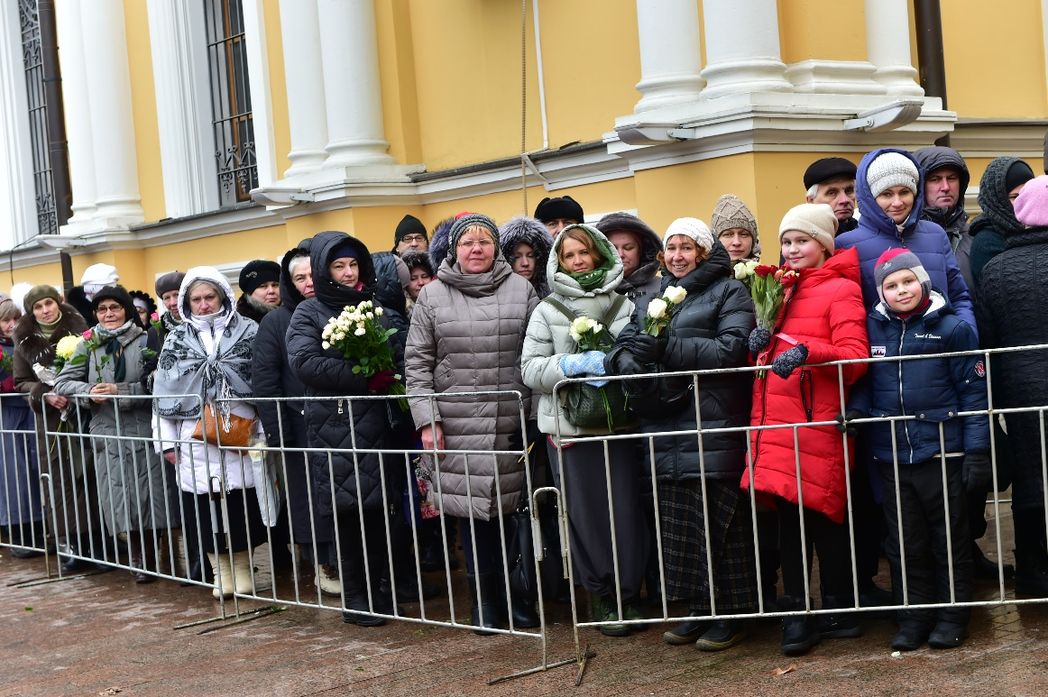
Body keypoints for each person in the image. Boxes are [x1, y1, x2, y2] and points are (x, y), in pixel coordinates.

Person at [608, 218, 757, 651]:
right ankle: (698, 608)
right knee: (680, 529)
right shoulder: (655, 294)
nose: (677, 256)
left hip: (710, 424)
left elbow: (732, 349)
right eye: (671, 248)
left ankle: (733, 612)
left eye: (687, 247)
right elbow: (624, 344)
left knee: (721, 524)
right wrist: (626, 362)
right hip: (664, 426)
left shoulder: (729, 291)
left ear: (704, 253)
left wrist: (665, 349)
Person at [743, 203, 869, 656]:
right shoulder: (778, 288)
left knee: (823, 516)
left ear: (824, 245)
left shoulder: (841, 289)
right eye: (787, 241)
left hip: (815, 421)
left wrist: (808, 352)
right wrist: (756, 346)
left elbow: (855, 357)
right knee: (788, 522)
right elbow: (767, 361)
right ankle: (797, 610)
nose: (793, 249)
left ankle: (838, 608)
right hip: (775, 422)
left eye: (802, 240)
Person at [405, 213, 540, 633]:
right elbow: (417, 363)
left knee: (513, 513)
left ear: (496, 248)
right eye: (467, 242)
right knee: (471, 515)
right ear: (454, 250)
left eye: (484, 241)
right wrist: (427, 420)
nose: (476, 249)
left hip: (509, 421)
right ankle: (484, 602)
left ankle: (519, 598)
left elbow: (536, 353)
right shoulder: (433, 296)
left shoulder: (521, 290)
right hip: (457, 423)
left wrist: (534, 416)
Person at [851, 249, 987, 650]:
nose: (901, 290)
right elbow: (864, 381)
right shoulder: (872, 328)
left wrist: (977, 450)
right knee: (904, 543)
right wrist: (857, 410)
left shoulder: (952, 329)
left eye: (908, 281)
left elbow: (974, 393)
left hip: (942, 452)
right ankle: (914, 615)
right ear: (881, 292)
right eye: (891, 285)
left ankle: (952, 615)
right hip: (892, 454)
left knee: (949, 539)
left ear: (923, 281)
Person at [521, 223, 648, 636]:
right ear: (559, 262)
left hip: (620, 424)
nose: (578, 261)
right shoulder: (547, 310)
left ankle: (629, 593)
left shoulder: (624, 305)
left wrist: (619, 363)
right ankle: (602, 596)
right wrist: (572, 365)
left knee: (626, 510)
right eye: (569, 255)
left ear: (599, 254)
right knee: (585, 514)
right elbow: (529, 369)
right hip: (570, 429)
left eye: (584, 253)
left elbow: (641, 352)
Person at [287, 232, 408, 625]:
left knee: (380, 511)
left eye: (353, 264)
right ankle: (355, 595)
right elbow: (305, 363)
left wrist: (391, 373)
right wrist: (362, 376)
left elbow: (397, 351)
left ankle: (379, 589)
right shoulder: (309, 312)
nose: (348, 272)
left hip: (378, 423)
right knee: (348, 512)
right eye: (339, 266)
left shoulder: (373, 308)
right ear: (324, 270)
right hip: (335, 425)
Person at [153, 268, 268, 599]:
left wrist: (262, 434)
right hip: (192, 435)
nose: (204, 305)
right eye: (196, 299)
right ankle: (221, 572)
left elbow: (262, 384)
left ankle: (243, 569)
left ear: (222, 297)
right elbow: (163, 394)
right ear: (187, 303)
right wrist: (166, 443)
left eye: (209, 297)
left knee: (242, 505)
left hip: (241, 429)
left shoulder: (249, 331)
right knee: (203, 509)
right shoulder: (176, 339)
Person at [53, 285, 168, 584]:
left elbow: (158, 383)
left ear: (126, 310)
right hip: (107, 431)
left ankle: (151, 553)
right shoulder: (88, 344)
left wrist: (122, 390)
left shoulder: (146, 339)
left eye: (114, 308)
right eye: (102, 309)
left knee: (150, 495)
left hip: (142, 428)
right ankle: (137, 556)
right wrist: (89, 391)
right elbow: (63, 382)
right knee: (120, 497)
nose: (108, 314)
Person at [251, 243, 342, 597]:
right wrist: (279, 433)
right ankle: (322, 564)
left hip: (340, 421)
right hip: (299, 426)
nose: (308, 283)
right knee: (308, 498)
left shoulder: (339, 309)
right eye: (299, 278)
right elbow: (266, 381)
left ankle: (351, 560)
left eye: (311, 275)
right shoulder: (275, 322)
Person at [977, 175, 1048, 596]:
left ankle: (1033, 569)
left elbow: (987, 339)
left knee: (1029, 476)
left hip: (1020, 391)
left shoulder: (995, 269)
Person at [836, 148, 976, 331]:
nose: (897, 202)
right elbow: (847, 314)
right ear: (870, 197)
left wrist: (967, 334)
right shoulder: (846, 245)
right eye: (886, 194)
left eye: (904, 192)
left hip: (943, 347)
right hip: (882, 348)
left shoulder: (935, 234)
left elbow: (959, 297)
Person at [12, 285, 98, 570]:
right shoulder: (24, 339)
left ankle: (100, 541)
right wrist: (44, 394)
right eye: (38, 307)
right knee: (59, 481)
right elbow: (21, 382)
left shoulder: (80, 329)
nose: (45, 310)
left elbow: (94, 367)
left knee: (88, 475)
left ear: (58, 303)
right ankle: (72, 543)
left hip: (81, 413)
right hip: (50, 420)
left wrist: (76, 389)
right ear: (31, 312)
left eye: (48, 303)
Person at [0, 296, 41, 557]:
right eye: (6, 320)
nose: (12, 325)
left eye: (16, 319)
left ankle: (40, 525)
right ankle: (18, 530)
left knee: (36, 469)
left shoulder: (29, 343)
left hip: (31, 409)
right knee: (14, 474)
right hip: (7, 413)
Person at [914, 146, 975, 293]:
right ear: (920, 186)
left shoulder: (976, 237)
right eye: (935, 179)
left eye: (952, 178)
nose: (946, 187)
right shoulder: (904, 239)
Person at [969, 157, 1036, 290]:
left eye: (1027, 195)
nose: (1023, 202)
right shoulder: (986, 242)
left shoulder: (1035, 229)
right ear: (998, 200)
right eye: (1015, 197)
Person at [596, 212, 664, 300]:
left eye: (628, 248)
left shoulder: (664, 290)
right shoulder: (591, 293)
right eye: (613, 248)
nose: (620, 254)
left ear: (642, 251)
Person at [499, 216, 554, 299]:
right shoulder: (496, 298)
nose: (525, 263)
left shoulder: (554, 296)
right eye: (517, 257)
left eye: (530, 256)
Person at [804, 157, 858, 234]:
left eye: (849, 191)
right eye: (831, 193)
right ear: (811, 201)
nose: (844, 200)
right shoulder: (797, 237)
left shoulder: (869, 234)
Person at [711, 194, 761, 264]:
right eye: (728, 234)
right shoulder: (701, 270)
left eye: (744, 234)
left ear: (754, 241)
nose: (736, 242)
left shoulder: (767, 271)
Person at [236, 259, 281, 324]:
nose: (271, 291)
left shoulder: (294, 315)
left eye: (275, 285)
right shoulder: (239, 324)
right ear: (249, 293)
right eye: (263, 286)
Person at [154, 271, 185, 343]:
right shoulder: (156, 331)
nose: (172, 303)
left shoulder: (202, 325)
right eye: (167, 298)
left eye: (177, 295)